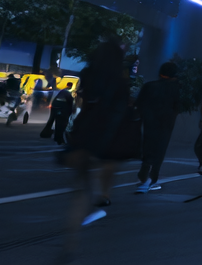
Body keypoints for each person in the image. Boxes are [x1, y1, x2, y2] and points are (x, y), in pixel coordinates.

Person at [62, 39, 129, 260]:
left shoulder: (88, 74)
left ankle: (70, 244)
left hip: (84, 134)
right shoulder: (120, 82)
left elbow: (80, 103)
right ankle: (104, 195)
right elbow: (120, 112)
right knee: (108, 167)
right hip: (108, 136)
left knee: (80, 190)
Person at [134, 62, 180, 194]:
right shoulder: (174, 88)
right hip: (166, 123)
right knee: (160, 150)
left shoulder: (149, 86)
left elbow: (139, 103)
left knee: (147, 145)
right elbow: (177, 107)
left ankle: (144, 169)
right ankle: (152, 177)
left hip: (149, 121)